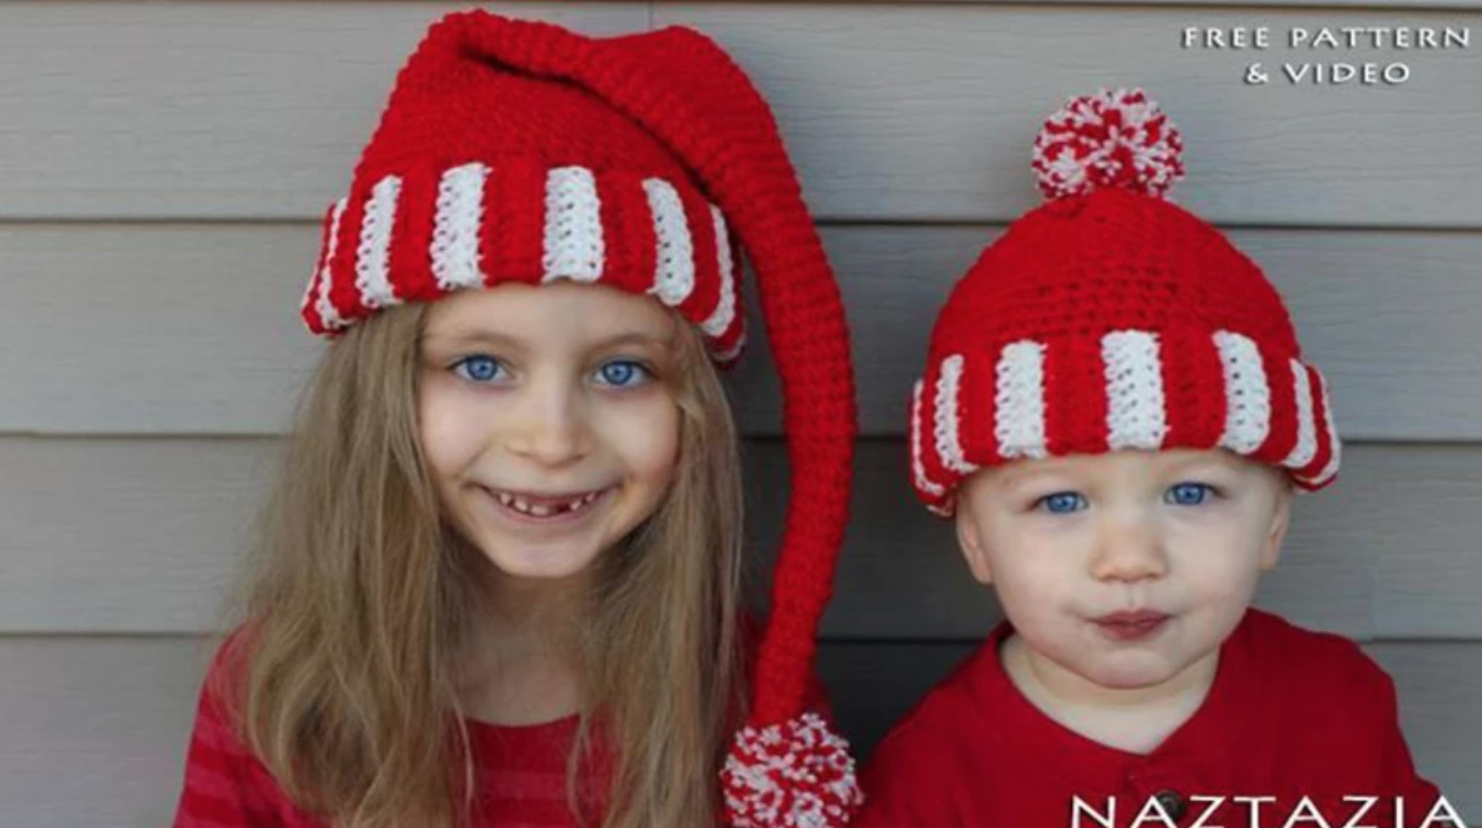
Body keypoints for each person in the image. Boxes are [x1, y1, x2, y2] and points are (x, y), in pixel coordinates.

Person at [170, 10, 861, 828]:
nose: (553, 439)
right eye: (482, 366)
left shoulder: (749, 702)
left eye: (622, 370)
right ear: (383, 394)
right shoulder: (280, 693)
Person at [857, 89, 1449, 827]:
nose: (1130, 559)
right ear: (975, 538)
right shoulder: (932, 779)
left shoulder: (1340, 704)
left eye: (1192, 493)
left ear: (1273, 523)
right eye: (1060, 501)